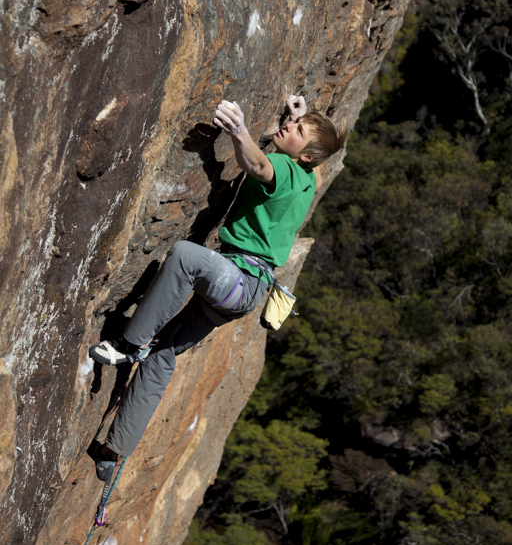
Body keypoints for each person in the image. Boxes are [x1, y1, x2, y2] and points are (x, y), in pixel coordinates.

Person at [88, 95, 347, 482]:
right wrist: (300, 119)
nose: (288, 128)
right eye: (293, 124)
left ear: (306, 155)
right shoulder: (310, 178)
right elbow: (316, 167)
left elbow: (257, 165)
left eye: (296, 131)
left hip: (237, 280)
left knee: (186, 257)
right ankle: (113, 452)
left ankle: (126, 346)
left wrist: (239, 131)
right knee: (163, 352)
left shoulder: (282, 166)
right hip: (241, 294)